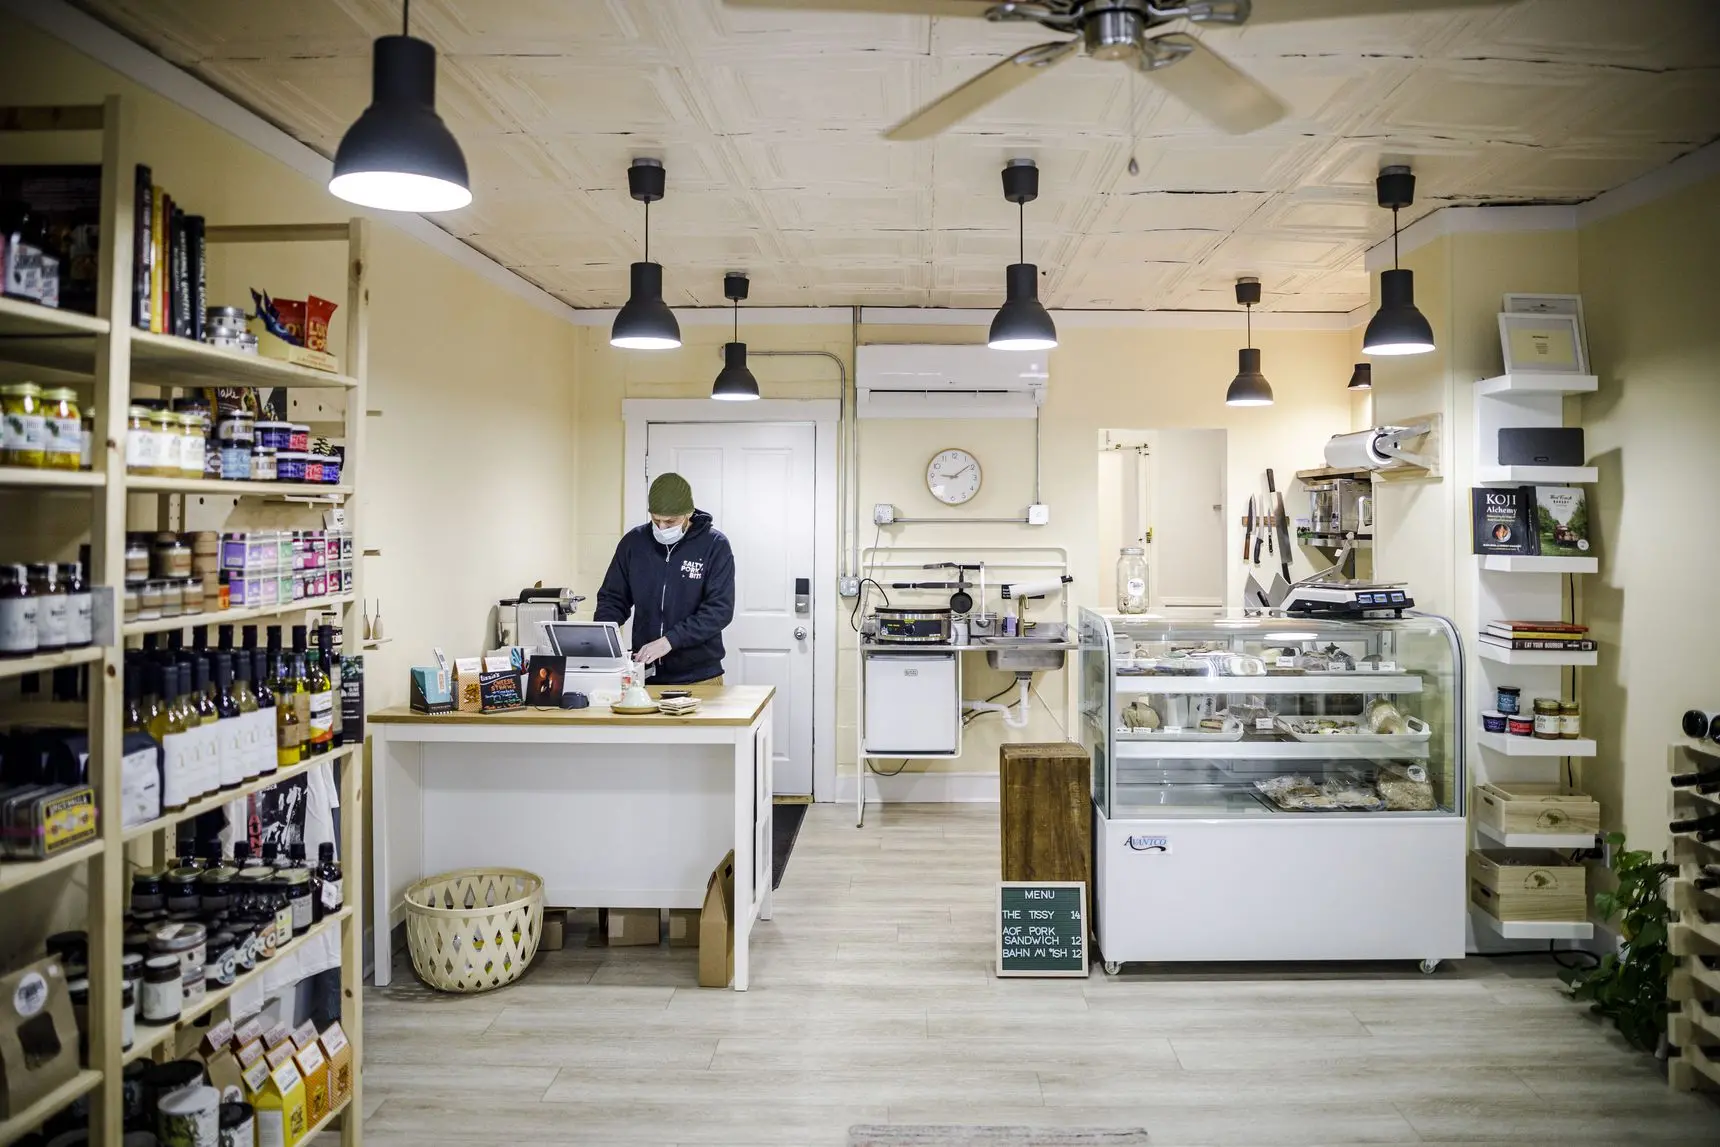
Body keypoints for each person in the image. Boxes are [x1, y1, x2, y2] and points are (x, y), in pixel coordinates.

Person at [594, 472, 736, 686]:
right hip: (646, 677)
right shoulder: (634, 543)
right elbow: (613, 598)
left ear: (688, 513)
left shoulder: (714, 545)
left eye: (670, 522)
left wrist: (670, 641)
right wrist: (601, 638)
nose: (661, 528)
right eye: (656, 520)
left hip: (700, 677)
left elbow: (719, 611)